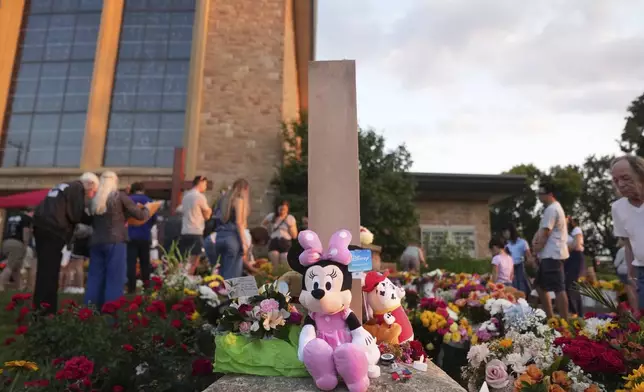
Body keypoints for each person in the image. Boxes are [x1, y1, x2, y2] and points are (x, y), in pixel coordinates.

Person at [32, 173, 99, 313]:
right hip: (54, 229)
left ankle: (39, 306)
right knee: (50, 271)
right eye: (93, 191)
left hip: (41, 226)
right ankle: (46, 309)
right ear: (90, 184)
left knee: (44, 270)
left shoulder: (65, 185)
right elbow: (75, 213)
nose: (91, 195)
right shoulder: (77, 188)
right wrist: (94, 219)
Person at [85, 172, 149, 309]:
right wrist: (148, 209)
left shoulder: (94, 200)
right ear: (114, 182)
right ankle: (111, 314)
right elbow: (140, 215)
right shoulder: (119, 197)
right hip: (115, 241)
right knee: (115, 279)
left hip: (96, 242)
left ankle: (89, 312)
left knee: (94, 279)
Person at [610, 155, 644, 313]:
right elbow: (628, 244)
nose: (621, 184)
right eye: (616, 180)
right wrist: (631, 275)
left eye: (625, 178)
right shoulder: (617, 208)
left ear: (640, 174)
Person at [532, 182, 570, 320]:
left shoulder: (552, 209)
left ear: (550, 194)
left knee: (558, 288)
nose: (539, 197)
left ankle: (565, 320)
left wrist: (536, 249)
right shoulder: (551, 209)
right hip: (549, 255)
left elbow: (545, 232)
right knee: (539, 286)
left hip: (552, 254)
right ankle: (551, 318)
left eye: (541, 193)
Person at [212, 179, 250, 280]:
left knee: (221, 274)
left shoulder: (223, 200)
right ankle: (231, 296)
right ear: (245, 189)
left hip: (219, 238)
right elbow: (239, 222)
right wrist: (244, 242)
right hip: (233, 239)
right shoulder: (239, 200)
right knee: (233, 277)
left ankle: (218, 294)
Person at [126, 182, 157, 293]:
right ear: (143, 190)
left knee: (131, 262)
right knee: (145, 263)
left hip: (130, 235)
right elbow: (154, 219)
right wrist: (146, 226)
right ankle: (146, 286)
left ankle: (131, 287)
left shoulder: (127, 200)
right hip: (144, 235)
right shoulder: (149, 200)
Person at [179, 176, 212, 275]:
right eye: (205, 184)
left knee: (185, 260)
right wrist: (209, 211)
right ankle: (188, 281)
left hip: (185, 231)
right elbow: (207, 216)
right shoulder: (199, 197)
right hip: (196, 231)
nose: (205, 187)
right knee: (194, 261)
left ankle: (180, 278)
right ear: (200, 182)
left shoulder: (185, 196)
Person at [0, 209, 33, 291]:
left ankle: (20, 287)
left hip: (6, 242)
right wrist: (25, 245)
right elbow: (25, 231)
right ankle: (0, 284)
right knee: (10, 266)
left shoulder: (12, 217)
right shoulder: (26, 218)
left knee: (16, 267)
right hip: (17, 243)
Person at [262, 200, 298, 269]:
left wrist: (289, 225)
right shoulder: (272, 216)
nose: (282, 211)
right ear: (277, 208)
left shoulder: (290, 218)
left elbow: (294, 236)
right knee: (275, 265)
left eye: (284, 209)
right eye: (280, 209)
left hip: (285, 242)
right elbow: (262, 225)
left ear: (287, 209)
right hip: (274, 241)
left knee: (285, 264)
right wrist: (267, 234)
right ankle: (275, 278)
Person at [502, 223, 532, 296]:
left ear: (511, 231)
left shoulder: (522, 242)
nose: (504, 234)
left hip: (520, 266)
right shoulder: (505, 244)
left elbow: (529, 256)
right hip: (509, 268)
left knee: (522, 285)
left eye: (505, 232)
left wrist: (528, 262)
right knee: (512, 287)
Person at [565, 216, 585, 315]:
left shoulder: (576, 230)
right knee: (568, 285)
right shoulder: (564, 234)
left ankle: (576, 311)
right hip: (568, 258)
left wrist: (566, 249)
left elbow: (576, 244)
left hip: (575, 257)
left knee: (572, 284)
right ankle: (574, 311)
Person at [614, 238, 638, 310]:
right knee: (632, 289)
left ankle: (620, 307)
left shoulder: (622, 250)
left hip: (623, 271)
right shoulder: (635, 248)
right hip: (634, 270)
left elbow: (616, 263)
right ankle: (634, 307)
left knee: (623, 289)